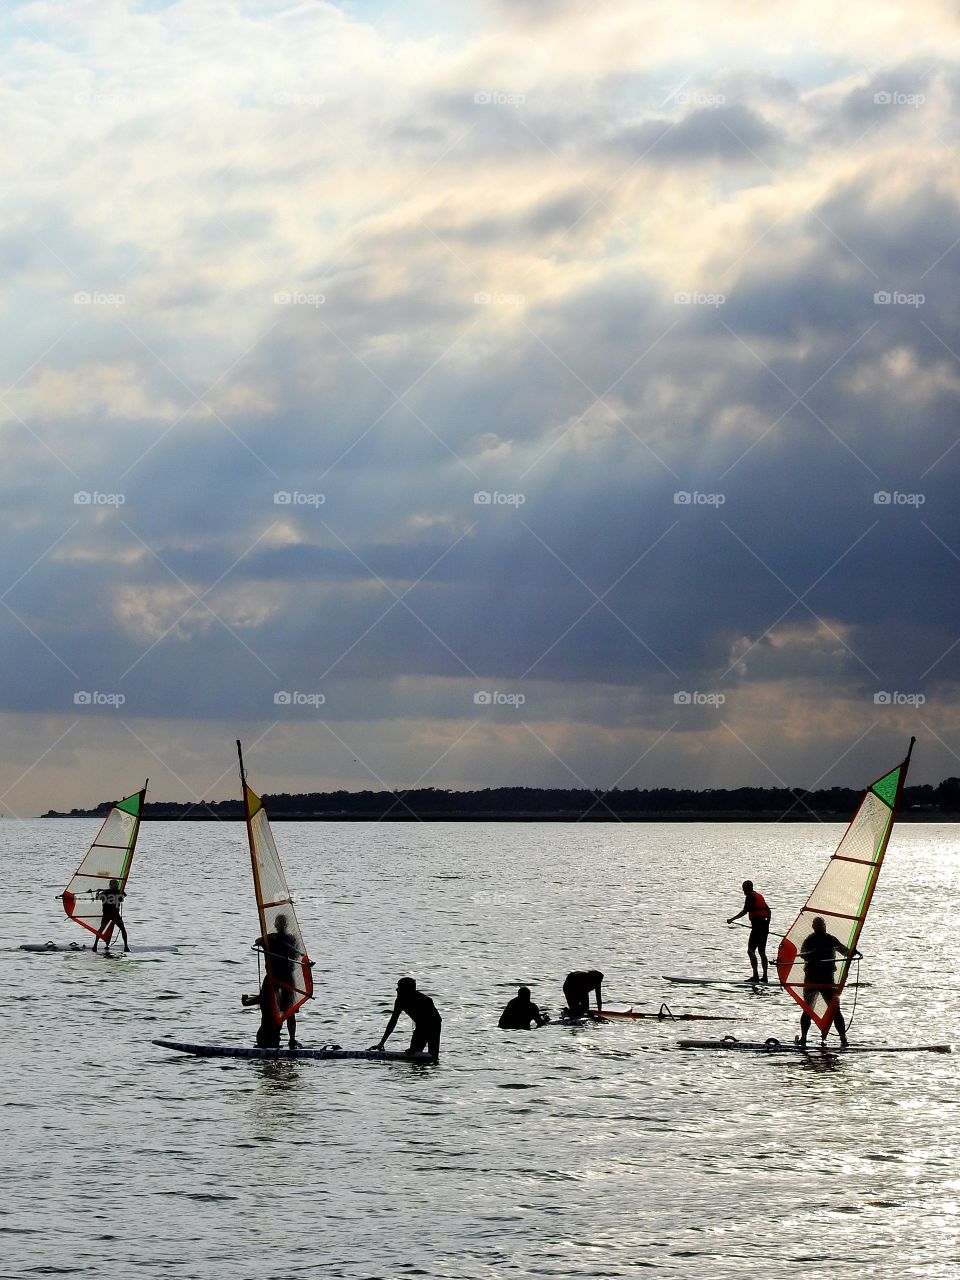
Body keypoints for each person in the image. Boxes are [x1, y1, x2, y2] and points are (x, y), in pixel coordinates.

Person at [797, 915, 857, 1047]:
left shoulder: (831, 939)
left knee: (835, 1009)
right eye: (817, 925)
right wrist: (813, 953)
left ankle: (843, 1038)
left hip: (827, 980)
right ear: (813, 927)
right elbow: (802, 955)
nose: (820, 928)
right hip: (812, 979)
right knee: (808, 1009)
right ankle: (803, 1038)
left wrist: (852, 951)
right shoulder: (810, 940)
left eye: (822, 925)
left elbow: (846, 953)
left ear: (825, 926)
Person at [249, 913, 302, 1047]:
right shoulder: (272, 938)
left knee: (289, 1010)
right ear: (277, 925)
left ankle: (291, 1039)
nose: (280, 925)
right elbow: (257, 941)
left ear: (284, 925)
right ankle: (273, 1036)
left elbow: (298, 954)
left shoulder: (290, 939)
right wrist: (265, 941)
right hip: (275, 977)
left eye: (281, 923)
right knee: (270, 1007)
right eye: (279, 923)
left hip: (285, 977)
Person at [371, 977, 442, 1062]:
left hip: (434, 1024)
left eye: (400, 987)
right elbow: (393, 1022)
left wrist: (414, 1047)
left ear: (408, 990)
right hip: (420, 1024)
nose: (396, 989)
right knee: (414, 1055)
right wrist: (381, 1043)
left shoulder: (425, 1001)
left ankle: (433, 1068)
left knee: (432, 1055)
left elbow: (424, 1024)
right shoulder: (399, 1001)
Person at [727, 879, 771, 982]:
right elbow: (769, 911)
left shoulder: (750, 896)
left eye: (743, 889)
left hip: (757, 926)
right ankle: (765, 977)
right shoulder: (759, 896)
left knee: (750, 950)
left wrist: (732, 919)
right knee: (761, 951)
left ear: (747, 888)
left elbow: (745, 911)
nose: (743, 892)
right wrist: (767, 926)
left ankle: (755, 976)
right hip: (763, 926)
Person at [93, 878, 128, 952]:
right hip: (108, 915)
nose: (116, 886)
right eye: (115, 885)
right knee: (101, 929)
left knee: (122, 929)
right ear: (110, 885)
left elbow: (97, 897)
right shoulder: (116, 892)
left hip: (114, 915)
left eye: (117, 885)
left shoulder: (109, 892)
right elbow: (123, 897)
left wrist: (98, 892)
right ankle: (95, 945)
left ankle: (126, 946)